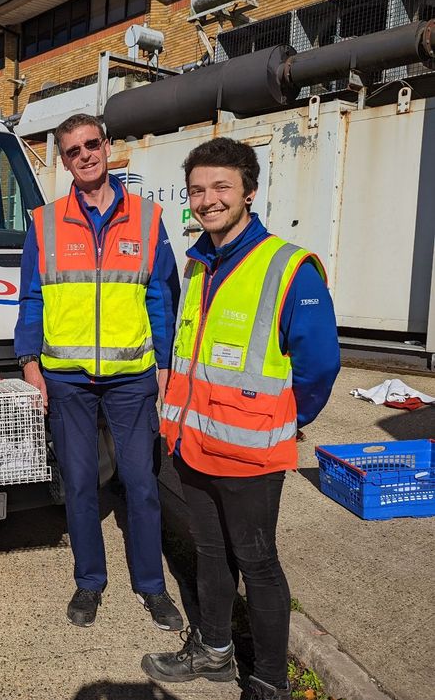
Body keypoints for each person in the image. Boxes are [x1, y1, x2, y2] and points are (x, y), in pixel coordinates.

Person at [141, 138, 340, 700]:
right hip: (194, 445)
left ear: (249, 192)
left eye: (221, 187)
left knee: (258, 563)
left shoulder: (288, 266)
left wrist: (287, 417)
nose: (208, 199)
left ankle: (270, 682)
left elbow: (320, 363)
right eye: (197, 190)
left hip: (250, 454)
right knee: (210, 553)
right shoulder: (198, 263)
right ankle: (214, 652)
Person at [14, 113, 184, 631]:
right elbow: (31, 298)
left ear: (107, 146)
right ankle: (89, 581)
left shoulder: (148, 219)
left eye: (92, 144)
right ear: (64, 162)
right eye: (73, 151)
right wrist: (29, 362)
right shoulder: (44, 222)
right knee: (81, 483)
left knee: (142, 483)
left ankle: (151, 585)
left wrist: (164, 365)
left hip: (132, 377)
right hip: (66, 378)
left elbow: (162, 298)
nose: (85, 155)